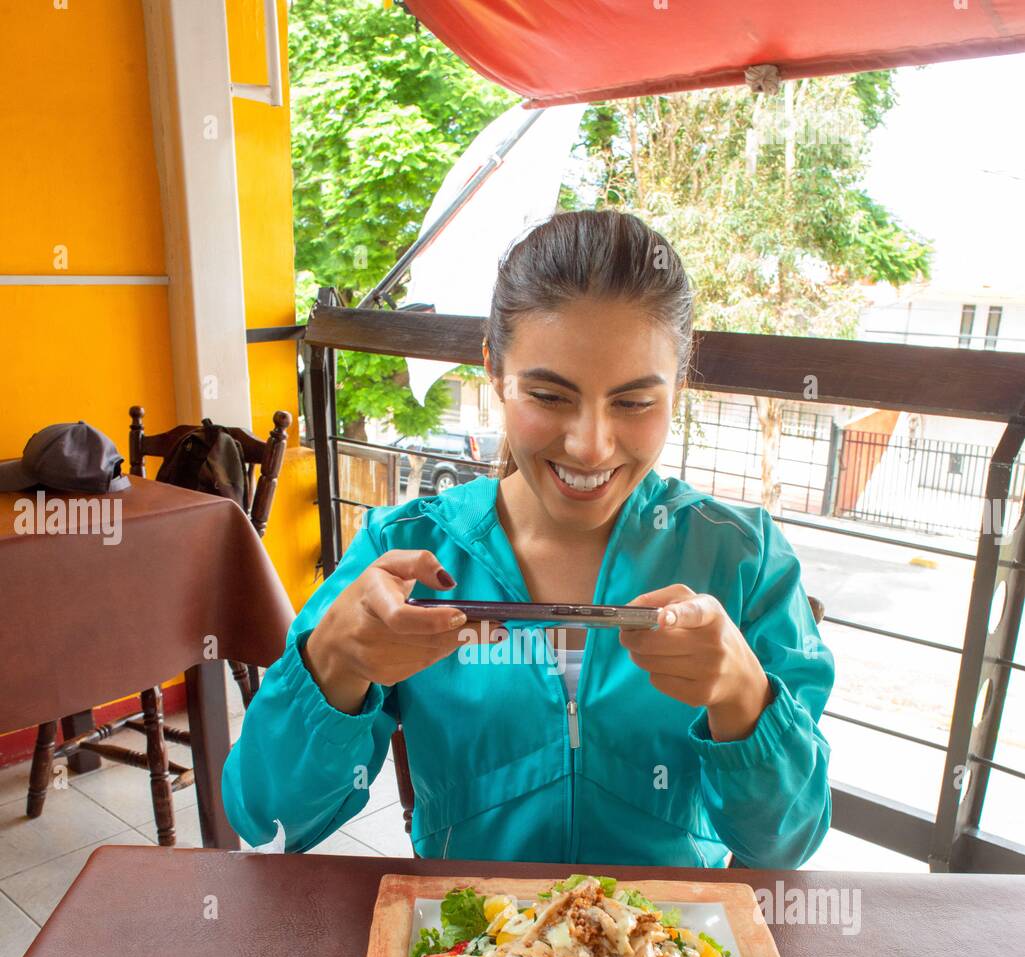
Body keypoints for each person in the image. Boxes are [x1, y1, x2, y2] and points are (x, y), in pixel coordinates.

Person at [222, 209, 834, 867]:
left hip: (665, 956)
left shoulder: (742, 558)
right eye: (547, 395)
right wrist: (333, 664)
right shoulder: (402, 552)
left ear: (677, 389)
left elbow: (784, 845)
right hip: (472, 954)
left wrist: (743, 700)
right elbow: (268, 818)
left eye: (633, 403)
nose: (590, 446)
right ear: (494, 372)